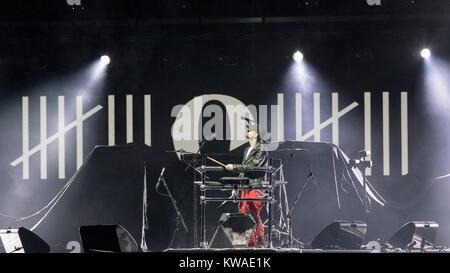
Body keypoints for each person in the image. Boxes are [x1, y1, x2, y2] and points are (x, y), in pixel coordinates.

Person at [225, 128, 268, 247]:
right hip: (244, 185)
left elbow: (252, 166)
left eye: (251, 131)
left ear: (256, 134)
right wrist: (235, 187)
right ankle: (246, 243)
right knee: (243, 213)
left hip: (255, 185)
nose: (248, 132)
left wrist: (234, 166)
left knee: (253, 213)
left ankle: (259, 242)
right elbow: (243, 170)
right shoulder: (246, 150)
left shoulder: (262, 148)